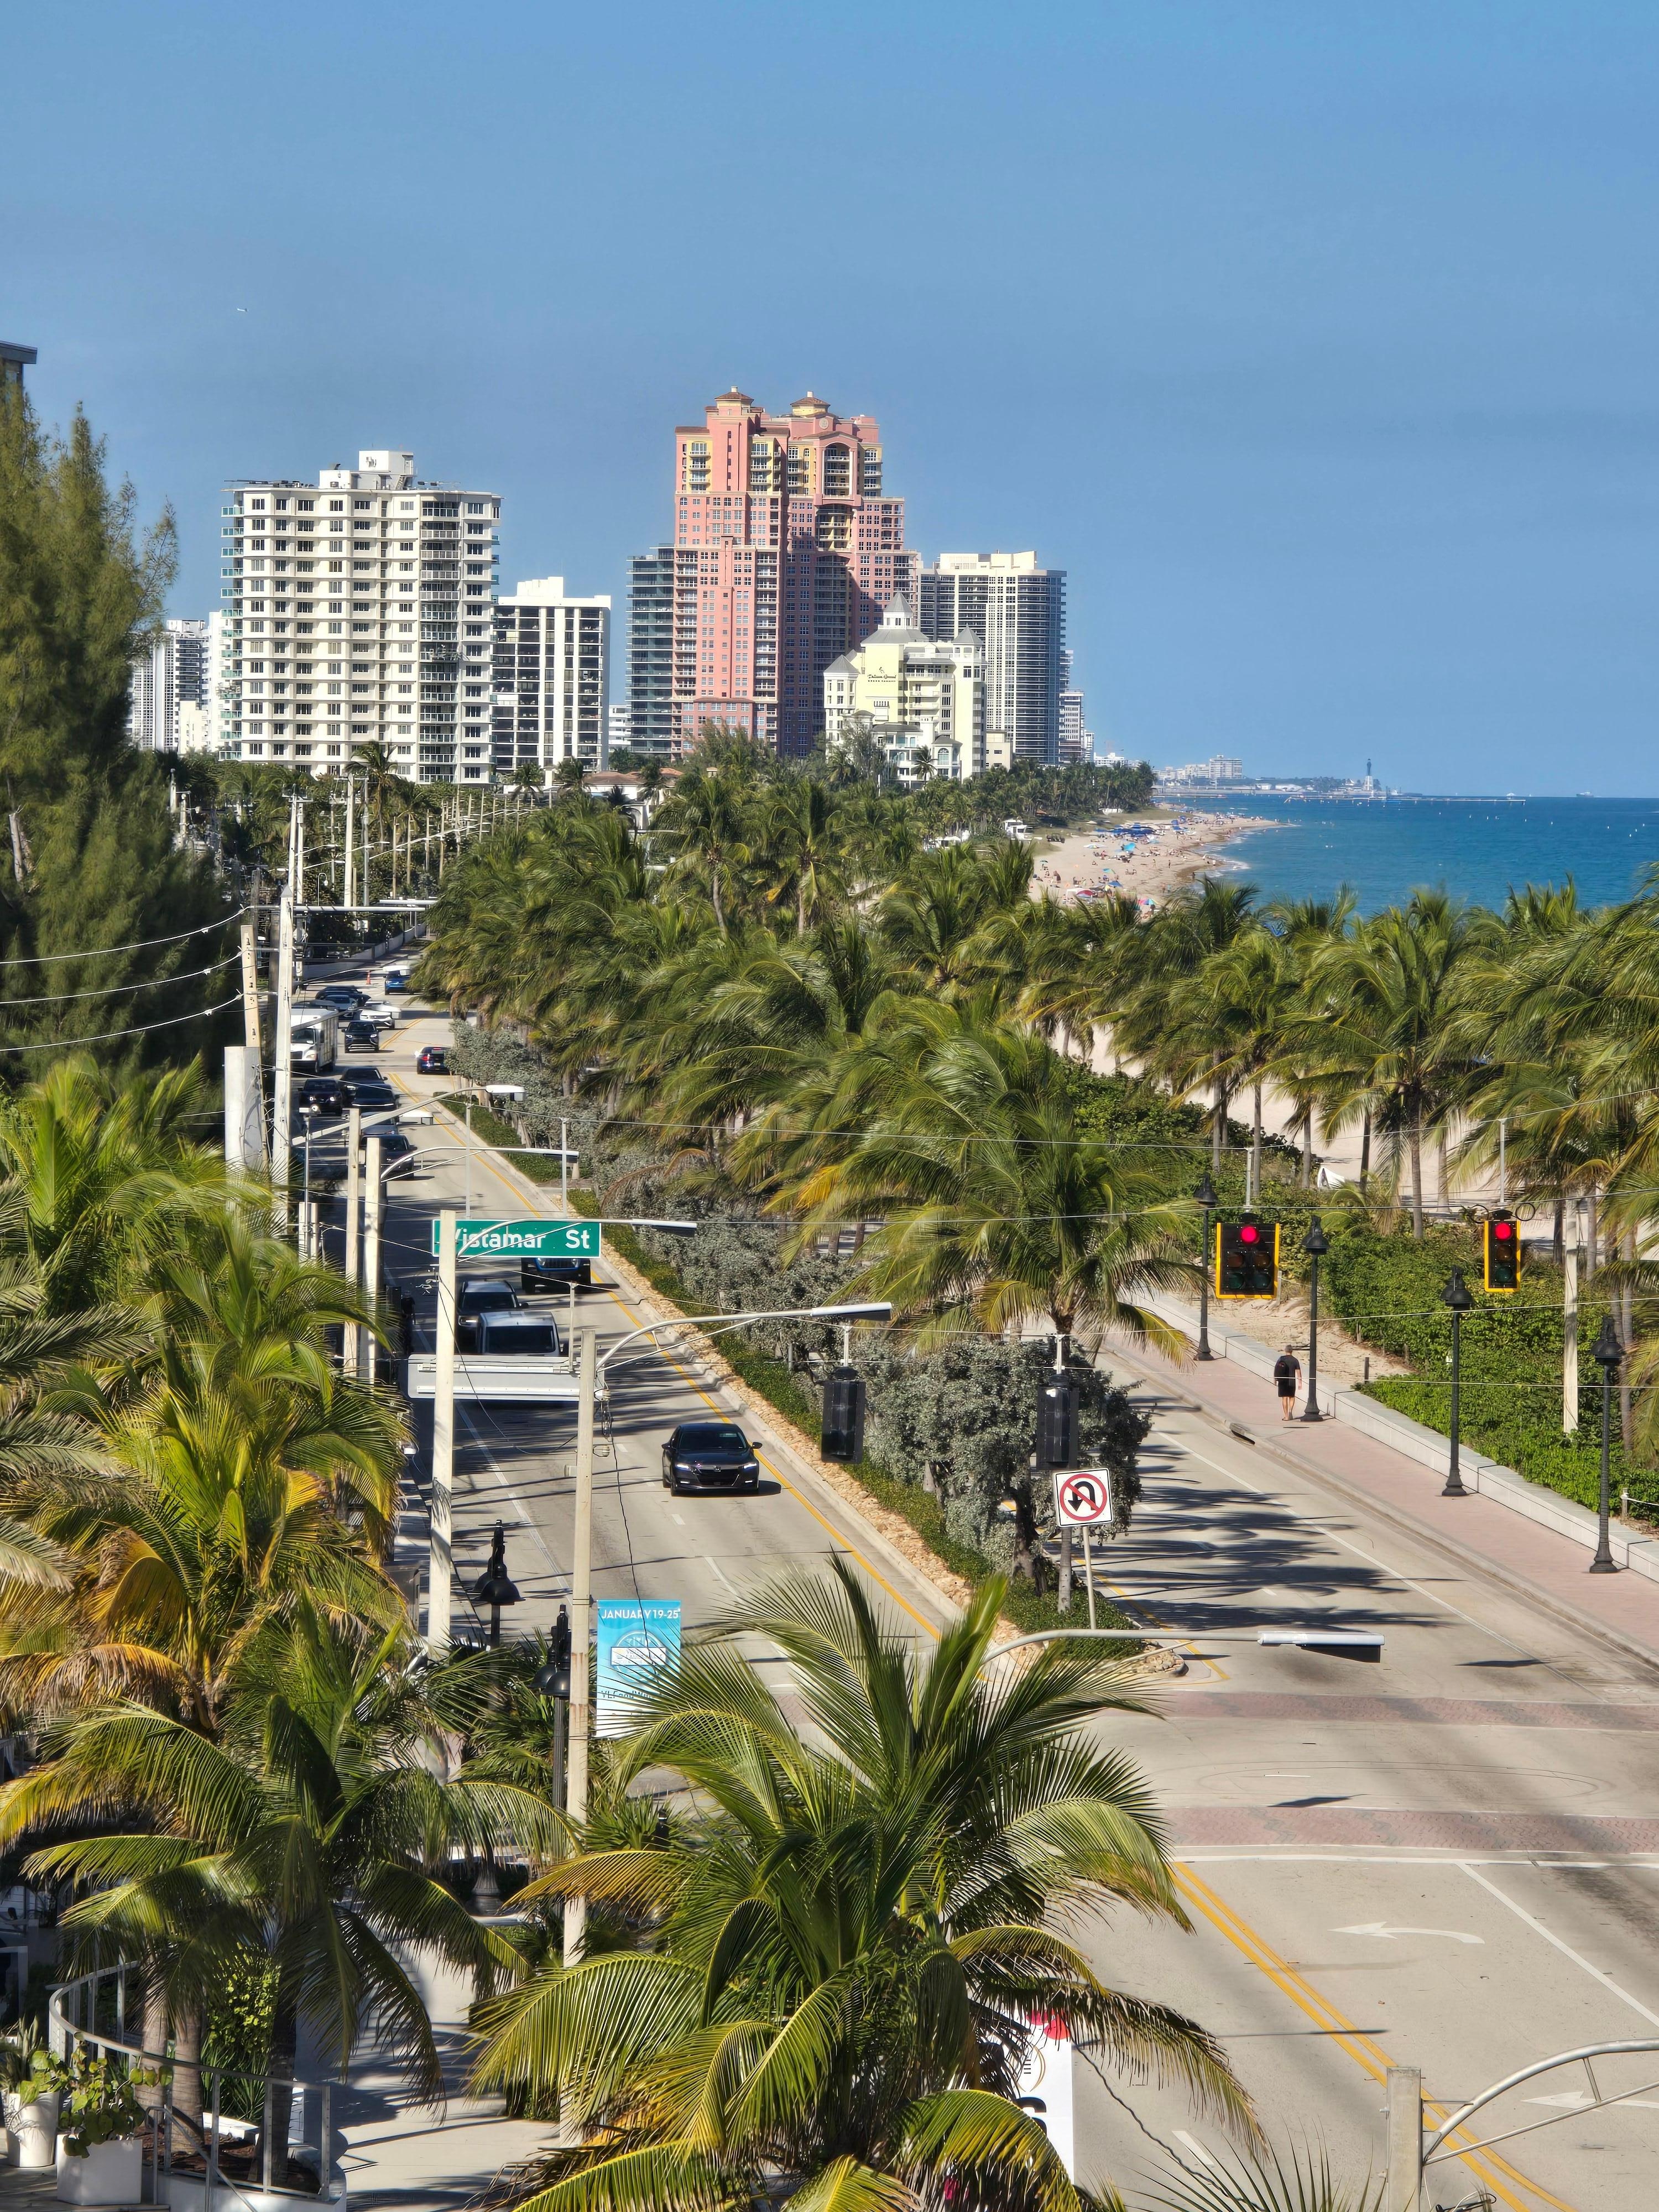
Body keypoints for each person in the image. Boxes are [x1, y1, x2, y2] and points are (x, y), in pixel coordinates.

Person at [1273, 1343, 1301, 1422]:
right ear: (1292, 1351)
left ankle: (1286, 1416)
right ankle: (1290, 1412)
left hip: (1283, 1381)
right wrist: (1300, 1382)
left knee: (1284, 1398)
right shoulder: (1295, 1360)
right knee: (1292, 1397)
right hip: (1292, 1381)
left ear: (1286, 1351)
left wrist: (1275, 1379)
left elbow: (1276, 1369)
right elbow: (1299, 1372)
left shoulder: (1281, 1359)